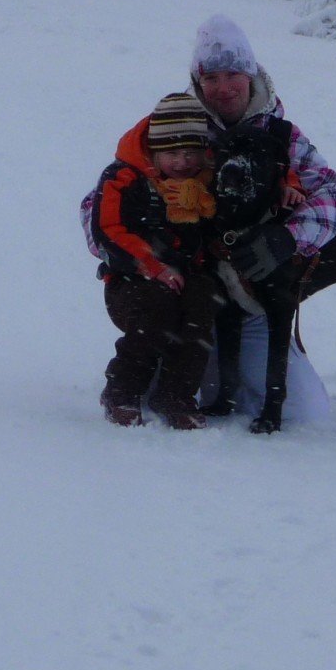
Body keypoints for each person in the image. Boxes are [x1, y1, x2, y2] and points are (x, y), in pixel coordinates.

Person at [186, 14, 336, 425]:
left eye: (233, 74)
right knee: (162, 399)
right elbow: (102, 199)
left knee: (304, 413)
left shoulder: (281, 134)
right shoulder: (177, 128)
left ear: (251, 75)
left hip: (256, 306)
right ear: (198, 82)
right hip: (193, 307)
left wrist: (289, 238)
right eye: (211, 77)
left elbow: (333, 193)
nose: (224, 87)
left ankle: (244, 378)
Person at [83, 92, 224, 429]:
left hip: (187, 274)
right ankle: (122, 390)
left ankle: (176, 394)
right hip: (130, 277)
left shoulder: (203, 182)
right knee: (154, 312)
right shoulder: (124, 178)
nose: (182, 162)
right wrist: (152, 264)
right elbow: (108, 229)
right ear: (153, 151)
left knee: (201, 309)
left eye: (190, 153)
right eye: (172, 154)